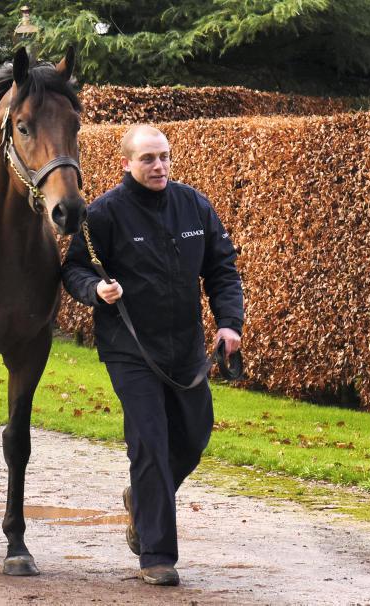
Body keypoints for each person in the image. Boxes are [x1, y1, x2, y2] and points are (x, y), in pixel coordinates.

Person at [62, 125, 244, 586]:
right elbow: (74, 269)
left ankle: (141, 500)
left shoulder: (194, 205)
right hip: (130, 349)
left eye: (163, 156)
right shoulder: (104, 214)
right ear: (127, 163)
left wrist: (228, 323)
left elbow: (222, 269)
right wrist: (95, 289)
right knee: (150, 444)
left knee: (195, 436)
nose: (158, 165)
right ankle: (157, 555)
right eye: (147, 158)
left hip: (184, 348)